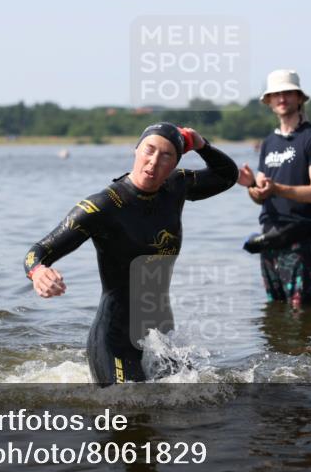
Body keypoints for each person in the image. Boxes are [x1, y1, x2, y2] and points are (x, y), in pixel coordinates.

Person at [23, 122, 237, 386]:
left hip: (159, 335)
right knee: (128, 409)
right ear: (136, 150)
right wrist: (39, 271)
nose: (154, 161)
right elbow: (39, 251)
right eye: (149, 150)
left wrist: (202, 145)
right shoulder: (101, 207)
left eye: (166, 155)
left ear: (174, 164)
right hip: (114, 337)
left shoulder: (176, 187)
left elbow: (228, 176)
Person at [237, 69, 311, 306]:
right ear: (268, 101)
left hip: (300, 239)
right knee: (274, 310)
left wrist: (276, 188)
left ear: (299, 98)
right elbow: (260, 194)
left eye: (287, 93)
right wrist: (251, 185)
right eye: (275, 94)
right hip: (270, 237)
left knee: (303, 314)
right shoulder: (269, 142)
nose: (281, 98)